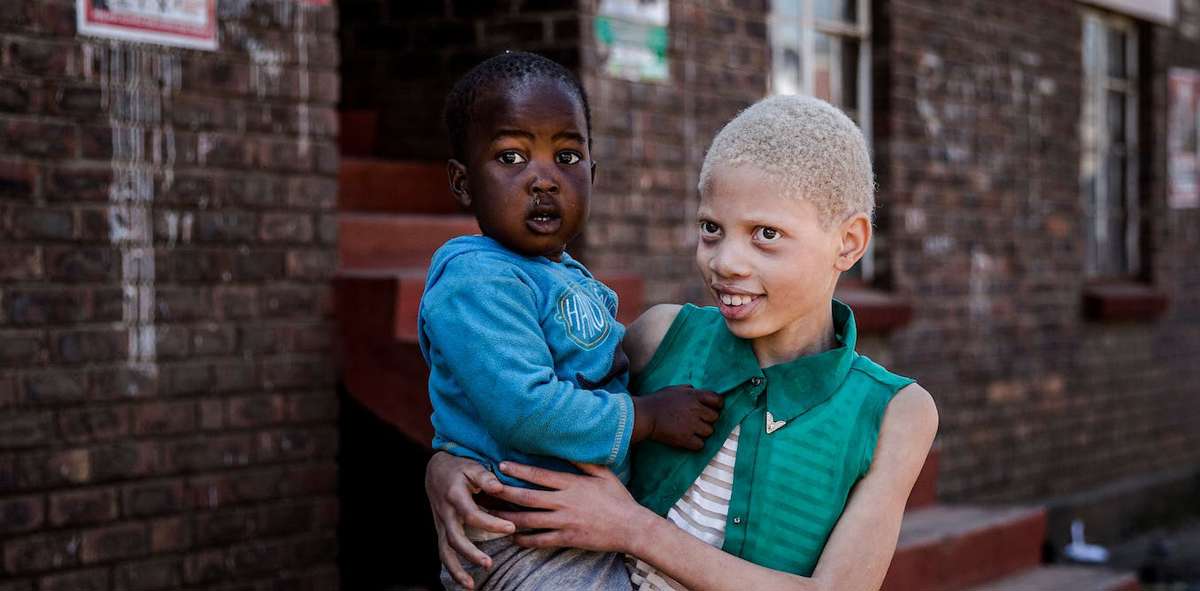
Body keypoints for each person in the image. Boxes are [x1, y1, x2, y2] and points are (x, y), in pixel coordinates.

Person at [426, 94, 939, 591]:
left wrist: (632, 528)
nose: (725, 262)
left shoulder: (896, 413)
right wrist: (446, 464)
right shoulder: (661, 336)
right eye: (711, 228)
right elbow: (528, 407)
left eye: (766, 234)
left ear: (848, 242)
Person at [420, 51, 724, 590]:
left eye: (566, 156)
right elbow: (526, 410)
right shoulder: (477, 280)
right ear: (463, 182)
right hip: (520, 539)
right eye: (512, 157)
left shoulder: (561, 275)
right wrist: (647, 418)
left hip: (583, 522)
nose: (544, 179)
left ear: (593, 175)